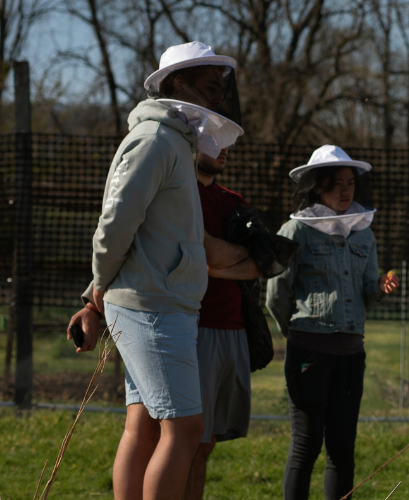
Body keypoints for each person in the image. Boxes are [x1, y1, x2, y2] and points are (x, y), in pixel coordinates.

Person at [65, 41, 242, 500]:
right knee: (186, 429)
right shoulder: (155, 141)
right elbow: (115, 223)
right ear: (177, 83)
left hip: (160, 303)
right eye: (209, 87)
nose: (217, 98)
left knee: (144, 427)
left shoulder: (175, 143)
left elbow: (145, 234)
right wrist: (98, 291)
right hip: (152, 307)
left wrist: (95, 295)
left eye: (220, 89)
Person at [267, 145, 399, 500]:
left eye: (350, 183)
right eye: (336, 183)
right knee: (306, 446)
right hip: (309, 353)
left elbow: (366, 291)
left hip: (351, 355)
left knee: (342, 447)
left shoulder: (363, 233)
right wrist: (296, 333)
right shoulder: (296, 231)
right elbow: (275, 293)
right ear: (317, 187)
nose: (345, 190)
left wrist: (380, 289)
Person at [183, 146, 260, 500]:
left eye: (228, 141)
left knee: (205, 445)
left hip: (234, 331)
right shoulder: (179, 191)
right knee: (183, 441)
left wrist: (214, 265)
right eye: (214, 139)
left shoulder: (234, 200)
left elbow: (263, 260)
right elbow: (210, 249)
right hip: (193, 329)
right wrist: (225, 256)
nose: (224, 148)